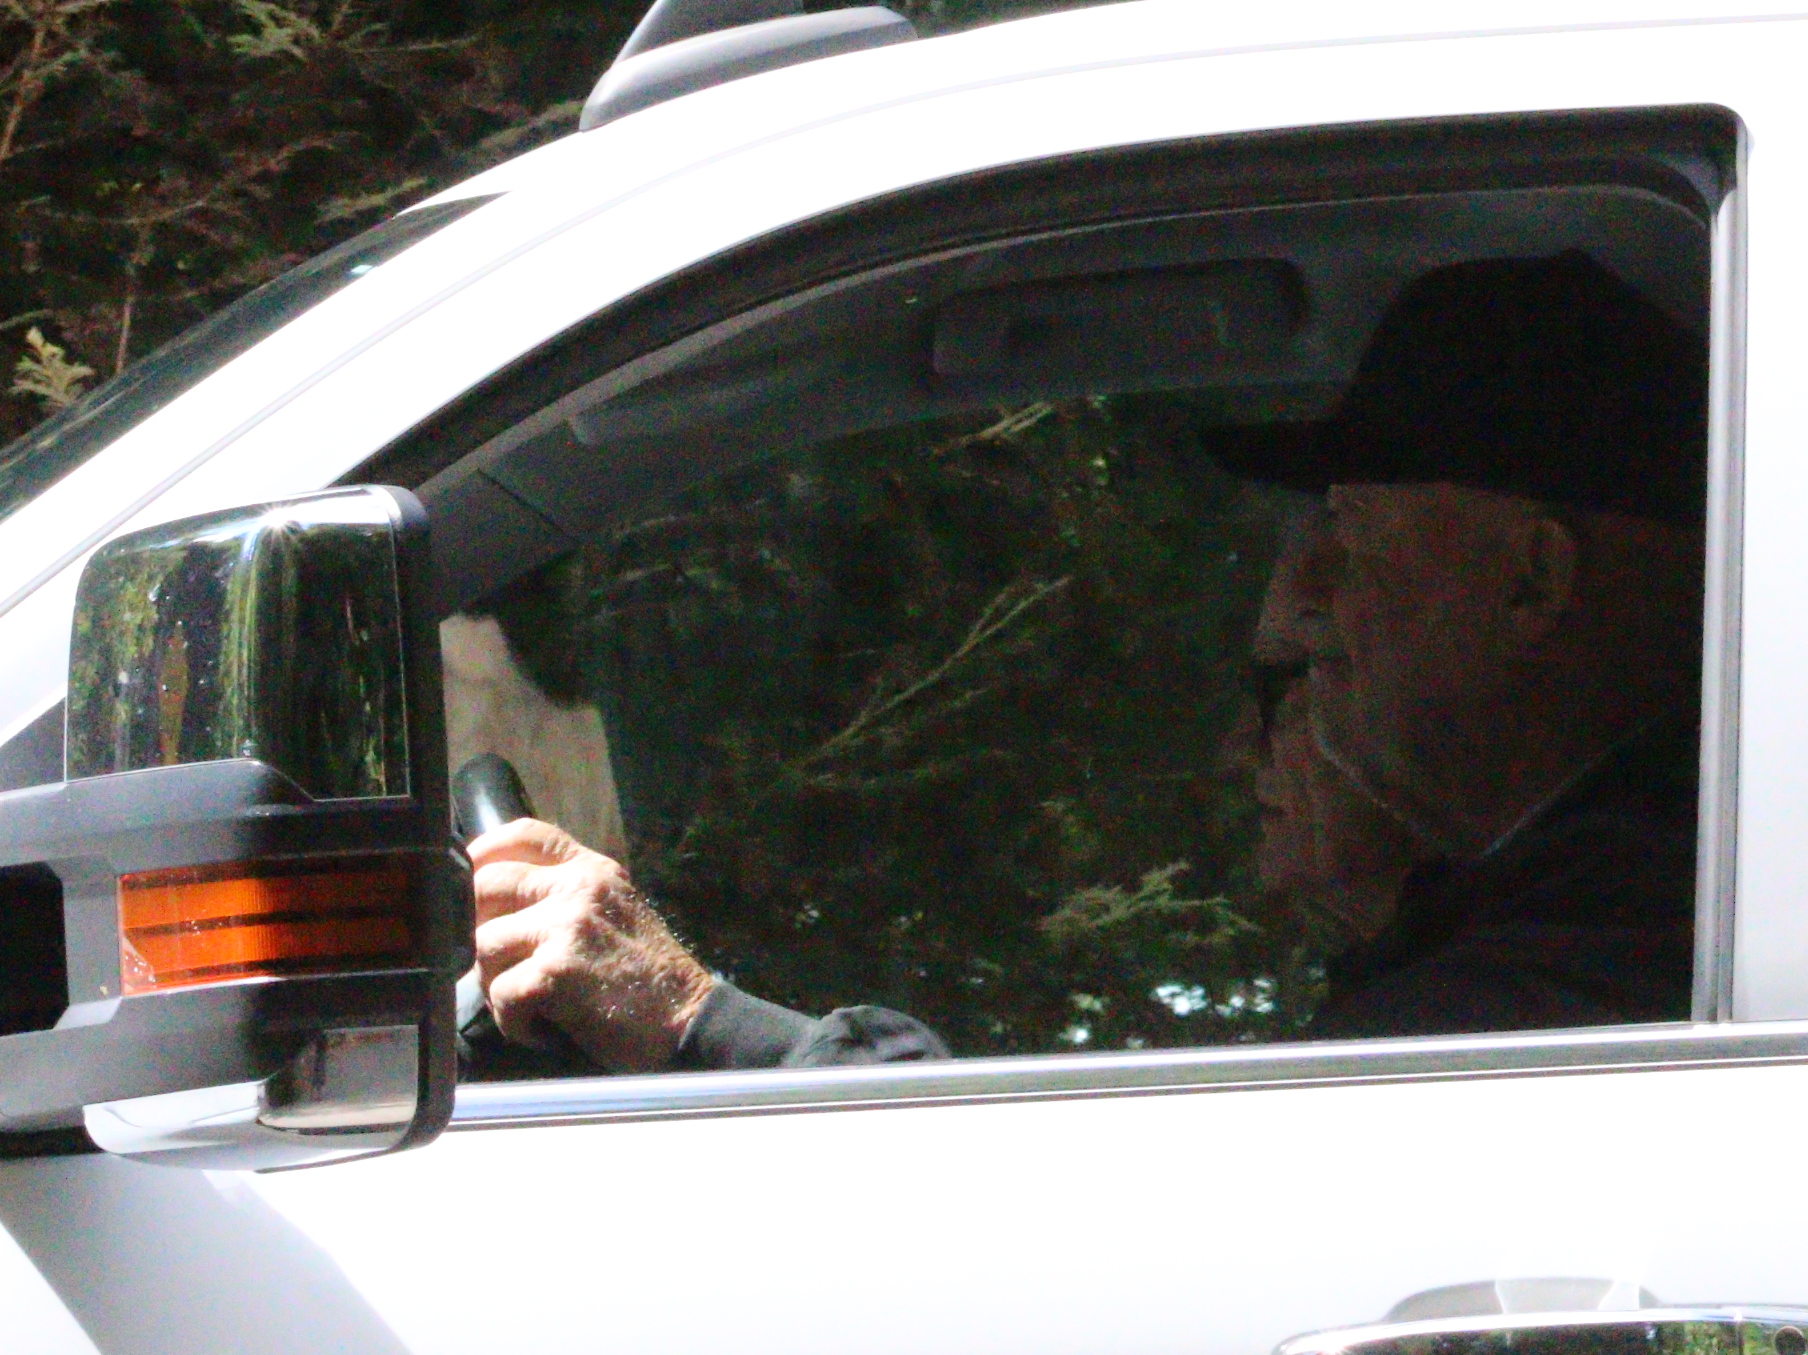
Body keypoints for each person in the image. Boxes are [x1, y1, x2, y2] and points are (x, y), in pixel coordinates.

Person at [465, 250, 1707, 1069]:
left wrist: (691, 1016)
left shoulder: (1601, 940)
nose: (1297, 605)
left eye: (1352, 532)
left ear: (1533, 579)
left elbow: (1146, 1229)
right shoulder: (1579, 904)